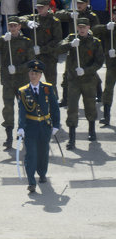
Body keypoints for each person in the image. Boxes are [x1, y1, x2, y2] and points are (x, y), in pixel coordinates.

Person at [0, 16, 35, 148]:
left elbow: (31, 63)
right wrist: (2, 39)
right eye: (10, 26)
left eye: (15, 26)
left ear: (20, 27)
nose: (13, 28)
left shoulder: (26, 42)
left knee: (24, 107)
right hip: (7, 81)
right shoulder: (5, 40)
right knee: (8, 109)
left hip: (22, 81)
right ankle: (8, 136)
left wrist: (18, 69)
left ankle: (23, 132)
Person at [58, 18, 104, 147]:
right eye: (80, 27)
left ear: (89, 27)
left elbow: (99, 62)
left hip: (89, 80)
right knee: (72, 107)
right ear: (77, 27)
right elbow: (58, 49)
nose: (82, 29)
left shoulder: (95, 42)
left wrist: (86, 70)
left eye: (84, 27)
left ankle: (92, 130)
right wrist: (70, 45)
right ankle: (72, 138)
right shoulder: (72, 38)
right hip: (74, 81)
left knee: (90, 105)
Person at [17, 59, 60, 194]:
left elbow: (54, 107)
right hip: (30, 126)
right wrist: (21, 127)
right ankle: (31, 182)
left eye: (36, 73)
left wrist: (56, 124)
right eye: (31, 73)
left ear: (40, 75)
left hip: (45, 126)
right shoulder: (23, 91)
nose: (33, 75)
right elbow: (22, 110)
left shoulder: (47, 88)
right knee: (31, 154)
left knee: (43, 152)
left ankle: (42, 173)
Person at [20, 1, 62, 89]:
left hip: (49, 56)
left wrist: (41, 49)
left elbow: (57, 40)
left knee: (51, 83)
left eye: (42, 7)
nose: (39, 9)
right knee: (32, 80)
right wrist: (27, 22)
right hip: (35, 56)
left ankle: (53, 102)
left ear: (48, 7)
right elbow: (18, 19)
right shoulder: (34, 18)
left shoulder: (54, 21)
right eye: (38, 7)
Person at [93, 11, 116, 126]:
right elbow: (92, 31)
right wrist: (105, 26)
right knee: (108, 90)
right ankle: (106, 116)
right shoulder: (109, 28)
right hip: (112, 66)